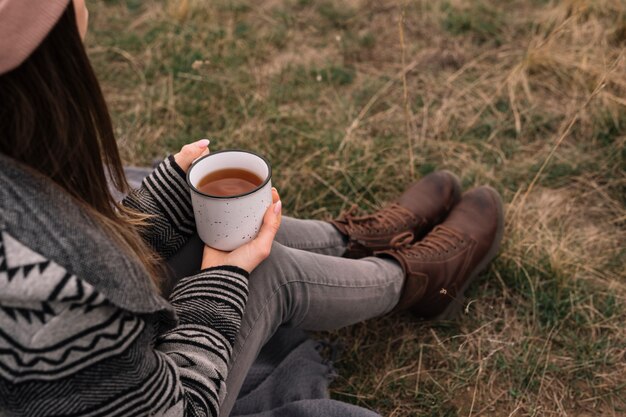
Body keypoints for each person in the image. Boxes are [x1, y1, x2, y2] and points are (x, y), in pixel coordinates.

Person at [0, 1, 504, 416]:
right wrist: (222, 280)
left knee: (209, 219)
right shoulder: (60, 285)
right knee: (263, 272)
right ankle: (415, 279)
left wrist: (155, 208)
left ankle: (354, 240)